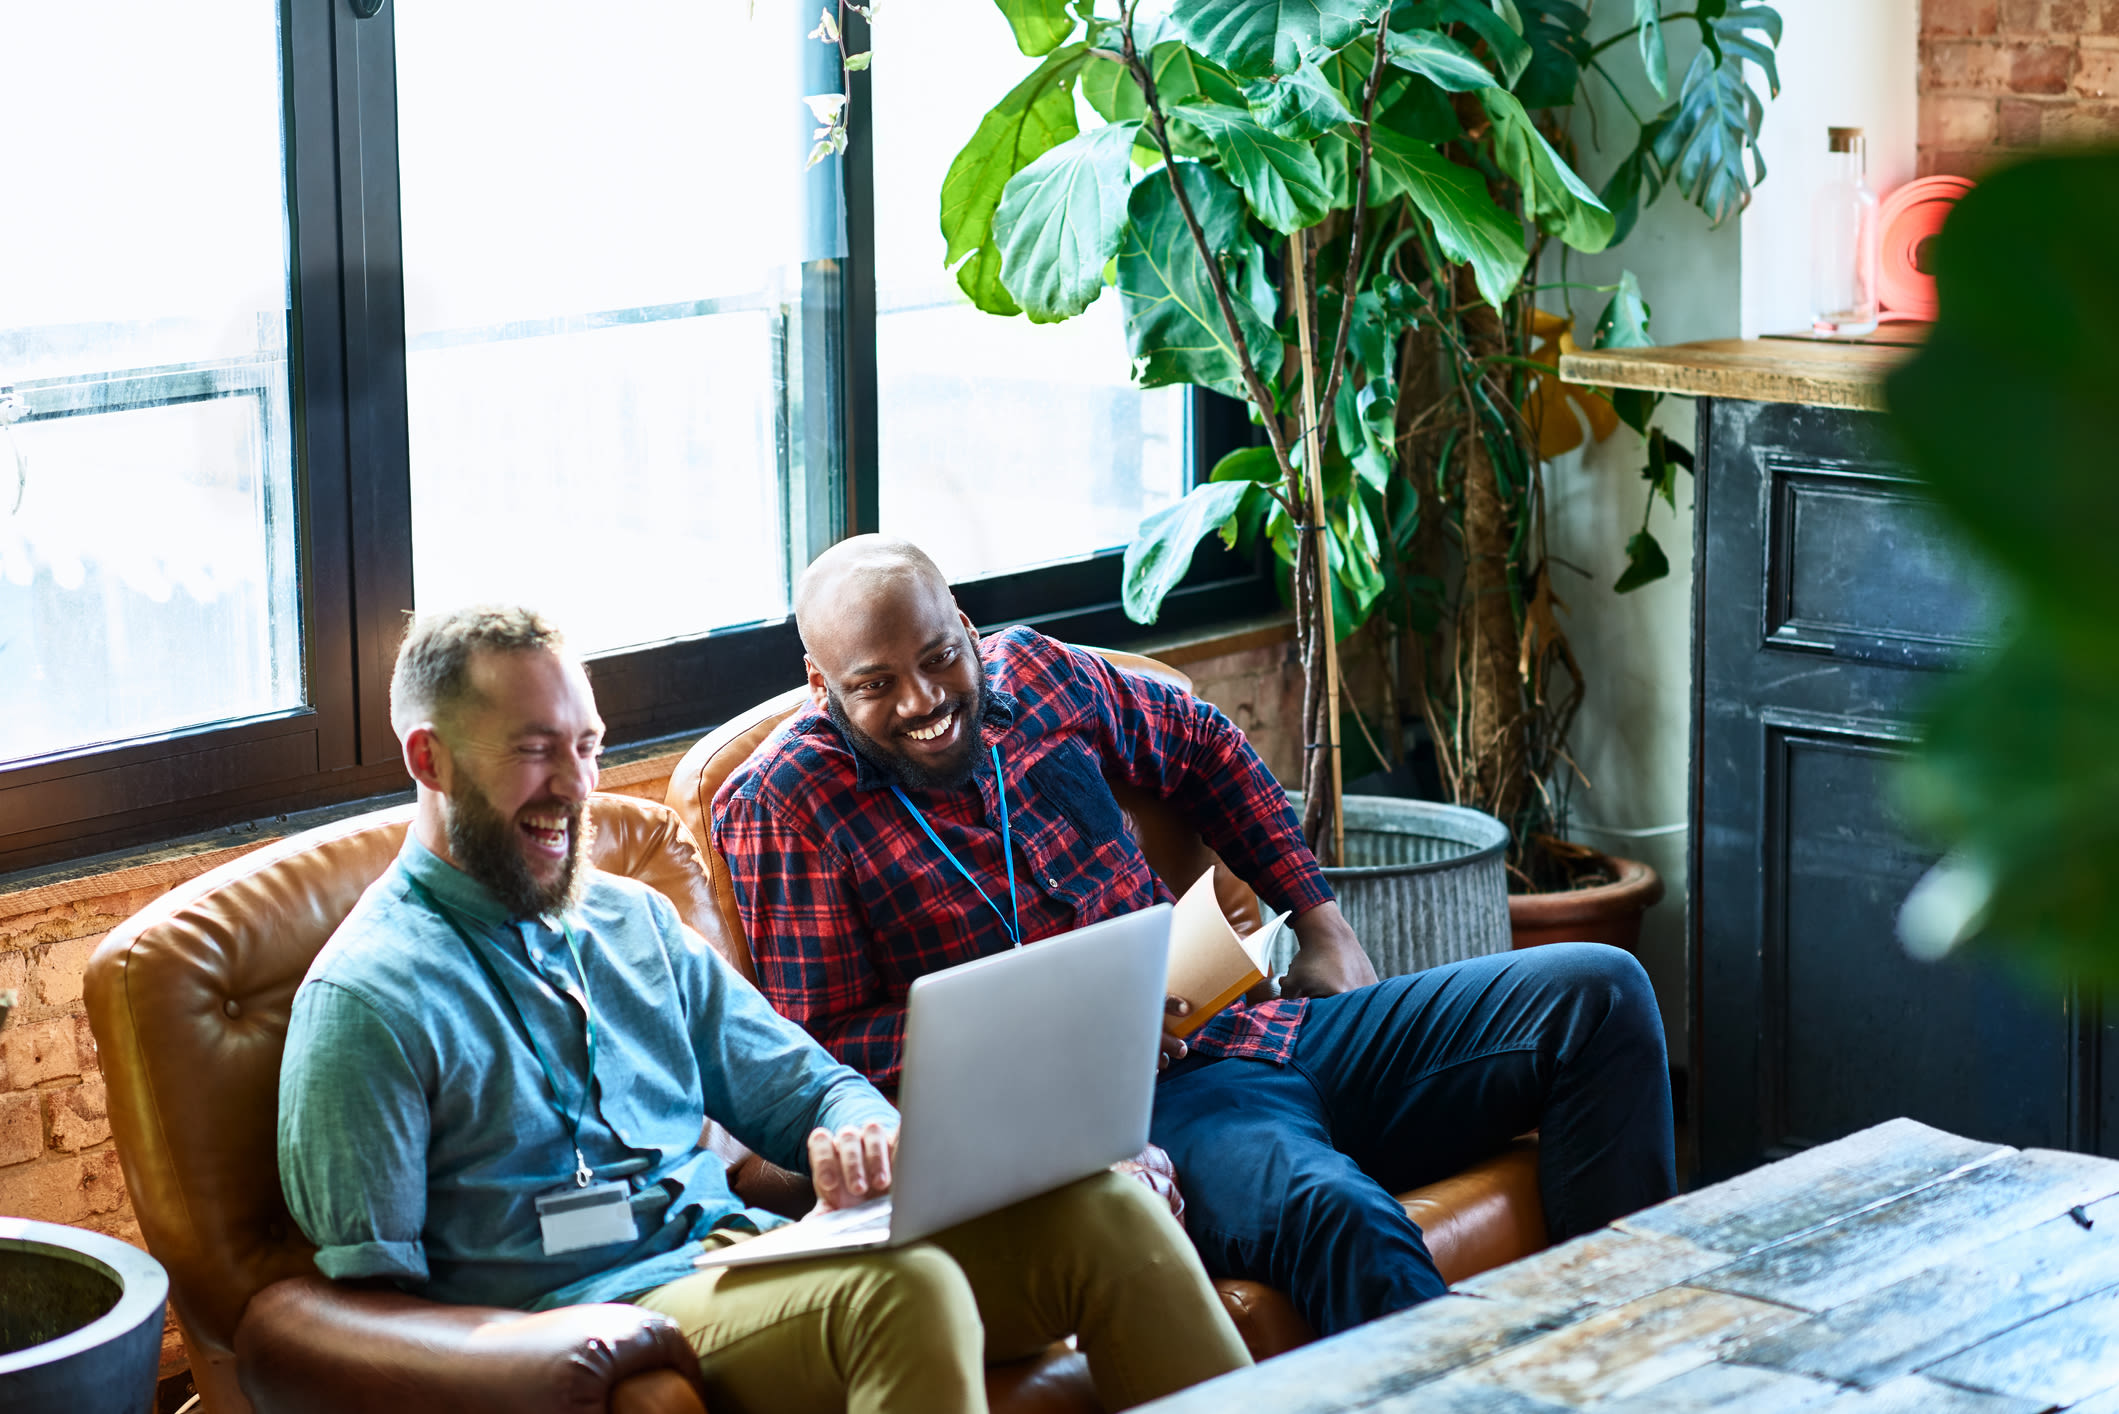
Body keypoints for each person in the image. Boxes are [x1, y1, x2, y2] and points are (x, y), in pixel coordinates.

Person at [277, 605, 1250, 1414]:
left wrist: (857, 1132)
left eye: (586, 746)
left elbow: (814, 1087)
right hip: (588, 1314)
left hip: (746, 1255)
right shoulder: (366, 998)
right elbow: (370, 1313)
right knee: (900, 1294)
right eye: (536, 752)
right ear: (430, 758)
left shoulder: (634, 925)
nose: (574, 788)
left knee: (1106, 1210)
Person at [716, 536, 1679, 1339]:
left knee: (1595, 991)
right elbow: (824, 1049)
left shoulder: (1037, 678)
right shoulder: (787, 807)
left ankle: (1621, 1358)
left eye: (938, 658)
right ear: (819, 686)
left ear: (965, 628)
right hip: (1131, 1119)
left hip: (1252, 1030)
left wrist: (1322, 924)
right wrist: (1063, 1029)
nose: (924, 700)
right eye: (875, 684)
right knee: (1333, 1214)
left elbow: (1203, 741)